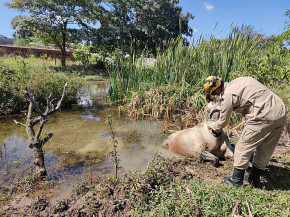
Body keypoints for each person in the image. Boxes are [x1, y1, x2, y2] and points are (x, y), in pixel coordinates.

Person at [203, 76, 287, 187]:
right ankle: (254, 179)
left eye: (214, 94)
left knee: (242, 147)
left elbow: (223, 122)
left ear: (218, 90)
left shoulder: (227, 96)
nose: (216, 96)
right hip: (280, 112)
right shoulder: (240, 79)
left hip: (263, 114)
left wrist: (213, 126)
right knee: (265, 147)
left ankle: (236, 181)